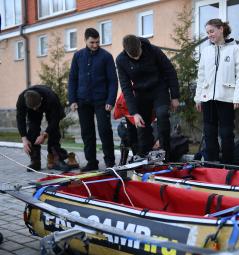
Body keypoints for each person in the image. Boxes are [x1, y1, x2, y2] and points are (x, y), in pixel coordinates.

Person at [115, 34, 180, 161]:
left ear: (140, 45)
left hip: (159, 88)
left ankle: (166, 154)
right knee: (141, 123)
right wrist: (134, 113)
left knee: (162, 115)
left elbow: (170, 71)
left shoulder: (153, 50)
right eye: (133, 56)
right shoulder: (121, 60)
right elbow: (126, 87)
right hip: (141, 93)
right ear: (125, 51)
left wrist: (175, 96)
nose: (137, 57)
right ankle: (145, 154)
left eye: (138, 53)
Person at [194, 19, 239, 164]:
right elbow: (201, 75)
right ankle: (212, 164)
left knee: (226, 133)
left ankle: (228, 165)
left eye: (211, 31)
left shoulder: (234, 49)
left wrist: (238, 97)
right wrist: (198, 98)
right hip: (207, 99)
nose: (209, 35)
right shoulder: (206, 51)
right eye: (207, 32)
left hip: (227, 98)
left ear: (221, 29)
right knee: (209, 134)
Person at [68, 28, 118, 171]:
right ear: (85, 40)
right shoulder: (78, 56)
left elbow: (113, 81)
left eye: (97, 42)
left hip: (102, 101)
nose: (95, 45)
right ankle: (91, 162)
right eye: (92, 42)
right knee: (87, 133)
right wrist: (72, 100)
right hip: (83, 101)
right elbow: (72, 79)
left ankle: (110, 162)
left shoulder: (106, 57)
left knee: (105, 131)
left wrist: (110, 100)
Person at [16, 85, 71, 172]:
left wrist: (45, 134)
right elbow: (20, 119)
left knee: (54, 131)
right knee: (32, 129)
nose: (35, 109)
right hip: (34, 105)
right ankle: (35, 161)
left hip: (50, 107)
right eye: (32, 108)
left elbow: (55, 120)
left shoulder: (51, 98)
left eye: (36, 107)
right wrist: (24, 139)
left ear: (41, 99)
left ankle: (56, 160)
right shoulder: (22, 100)